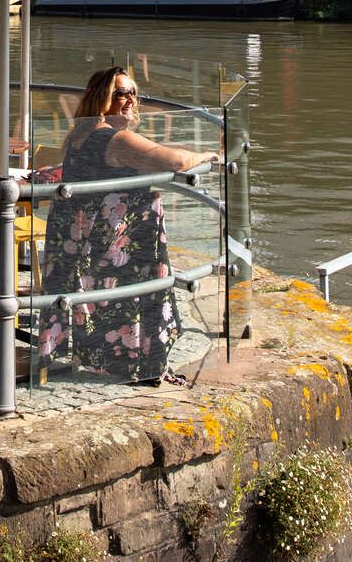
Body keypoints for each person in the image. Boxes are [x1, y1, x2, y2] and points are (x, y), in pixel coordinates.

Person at [36, 65, 217, 385]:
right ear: (101, 99)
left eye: (133, 92)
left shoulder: (81, 135)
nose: (130, 99)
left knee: (116, 301)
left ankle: (121, 363)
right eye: (120, 93)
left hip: (89, 239)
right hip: (114, 241)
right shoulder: (113, 138)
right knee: (133, 295)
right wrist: (207, 155)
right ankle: (138, 367)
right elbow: (172, 161)